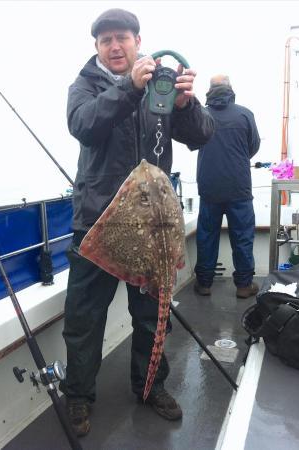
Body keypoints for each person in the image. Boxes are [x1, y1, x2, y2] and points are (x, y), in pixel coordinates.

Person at [59, 8, 214, 437]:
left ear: (138, 41)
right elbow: (83, 125)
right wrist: (129, 88)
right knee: (84, 317)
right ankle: (78, 396)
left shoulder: (159, 84)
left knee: (150, 314)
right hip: (96, 223)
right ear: (96, 47)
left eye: (122, 38)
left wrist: (185, 104)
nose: (114, 46)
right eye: (106, 40)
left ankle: (151, 387)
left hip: (150, 226)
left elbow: (202, 135)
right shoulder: (84, 86)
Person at [193, 74, 260, 299]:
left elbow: (192, 142)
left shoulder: (201, 115)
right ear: (231, 89)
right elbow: (253, 147)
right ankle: (243, 286)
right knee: (242, 236)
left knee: (206, 236)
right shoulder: (245, 114)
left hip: (209, 187)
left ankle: (204, 284)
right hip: (239, 187)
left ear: (210, 90)